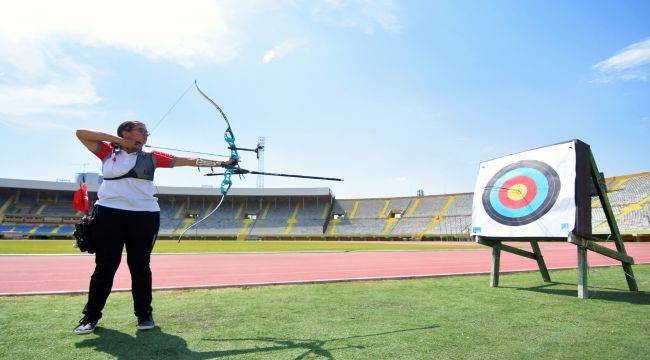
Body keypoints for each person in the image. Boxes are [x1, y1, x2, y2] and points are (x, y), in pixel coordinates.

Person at [74, 120, 236, 335]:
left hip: (144, 215)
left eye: (146, 132)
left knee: (140, 266)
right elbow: (81, 133)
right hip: (108, 213)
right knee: (105, 266)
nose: (146, 135)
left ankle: (144, 314)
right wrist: (119, 142)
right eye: (140, 130)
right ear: (125, 132)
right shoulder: (106, 152)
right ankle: (91, 316)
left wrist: (223, 163)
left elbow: (188, 160)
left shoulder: (151, 157)